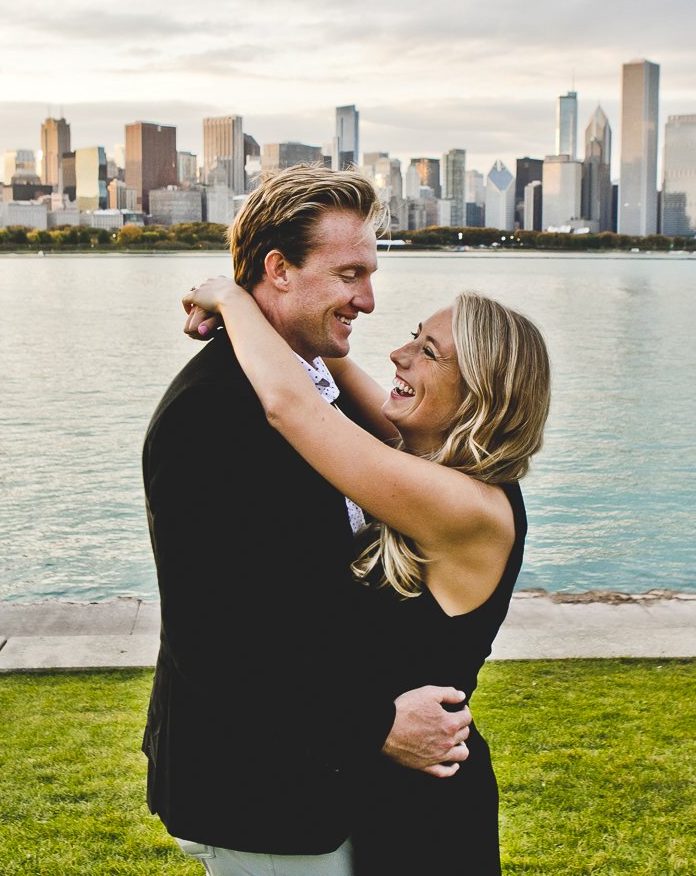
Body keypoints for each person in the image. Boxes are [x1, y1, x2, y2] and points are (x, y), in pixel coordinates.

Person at [142, 166, 475, 876]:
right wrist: (378, 728)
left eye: (370, 274)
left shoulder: (318, 389)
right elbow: (214, 641)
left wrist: (232, 300)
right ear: (279, 269)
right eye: (350, 274)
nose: (368, 300)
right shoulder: (211, 414)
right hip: (259, 792)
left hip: (327, 779)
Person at [181, 274, 551, 874]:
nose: (399, 355)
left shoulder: (468, 508)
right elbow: (330, 366)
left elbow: (293, 407)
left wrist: (231, 298)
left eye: (429, 352)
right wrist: (280, 311)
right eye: (413, 336)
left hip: (428, 812)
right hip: (384, 784)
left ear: (480, 395)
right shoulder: (423, 462)